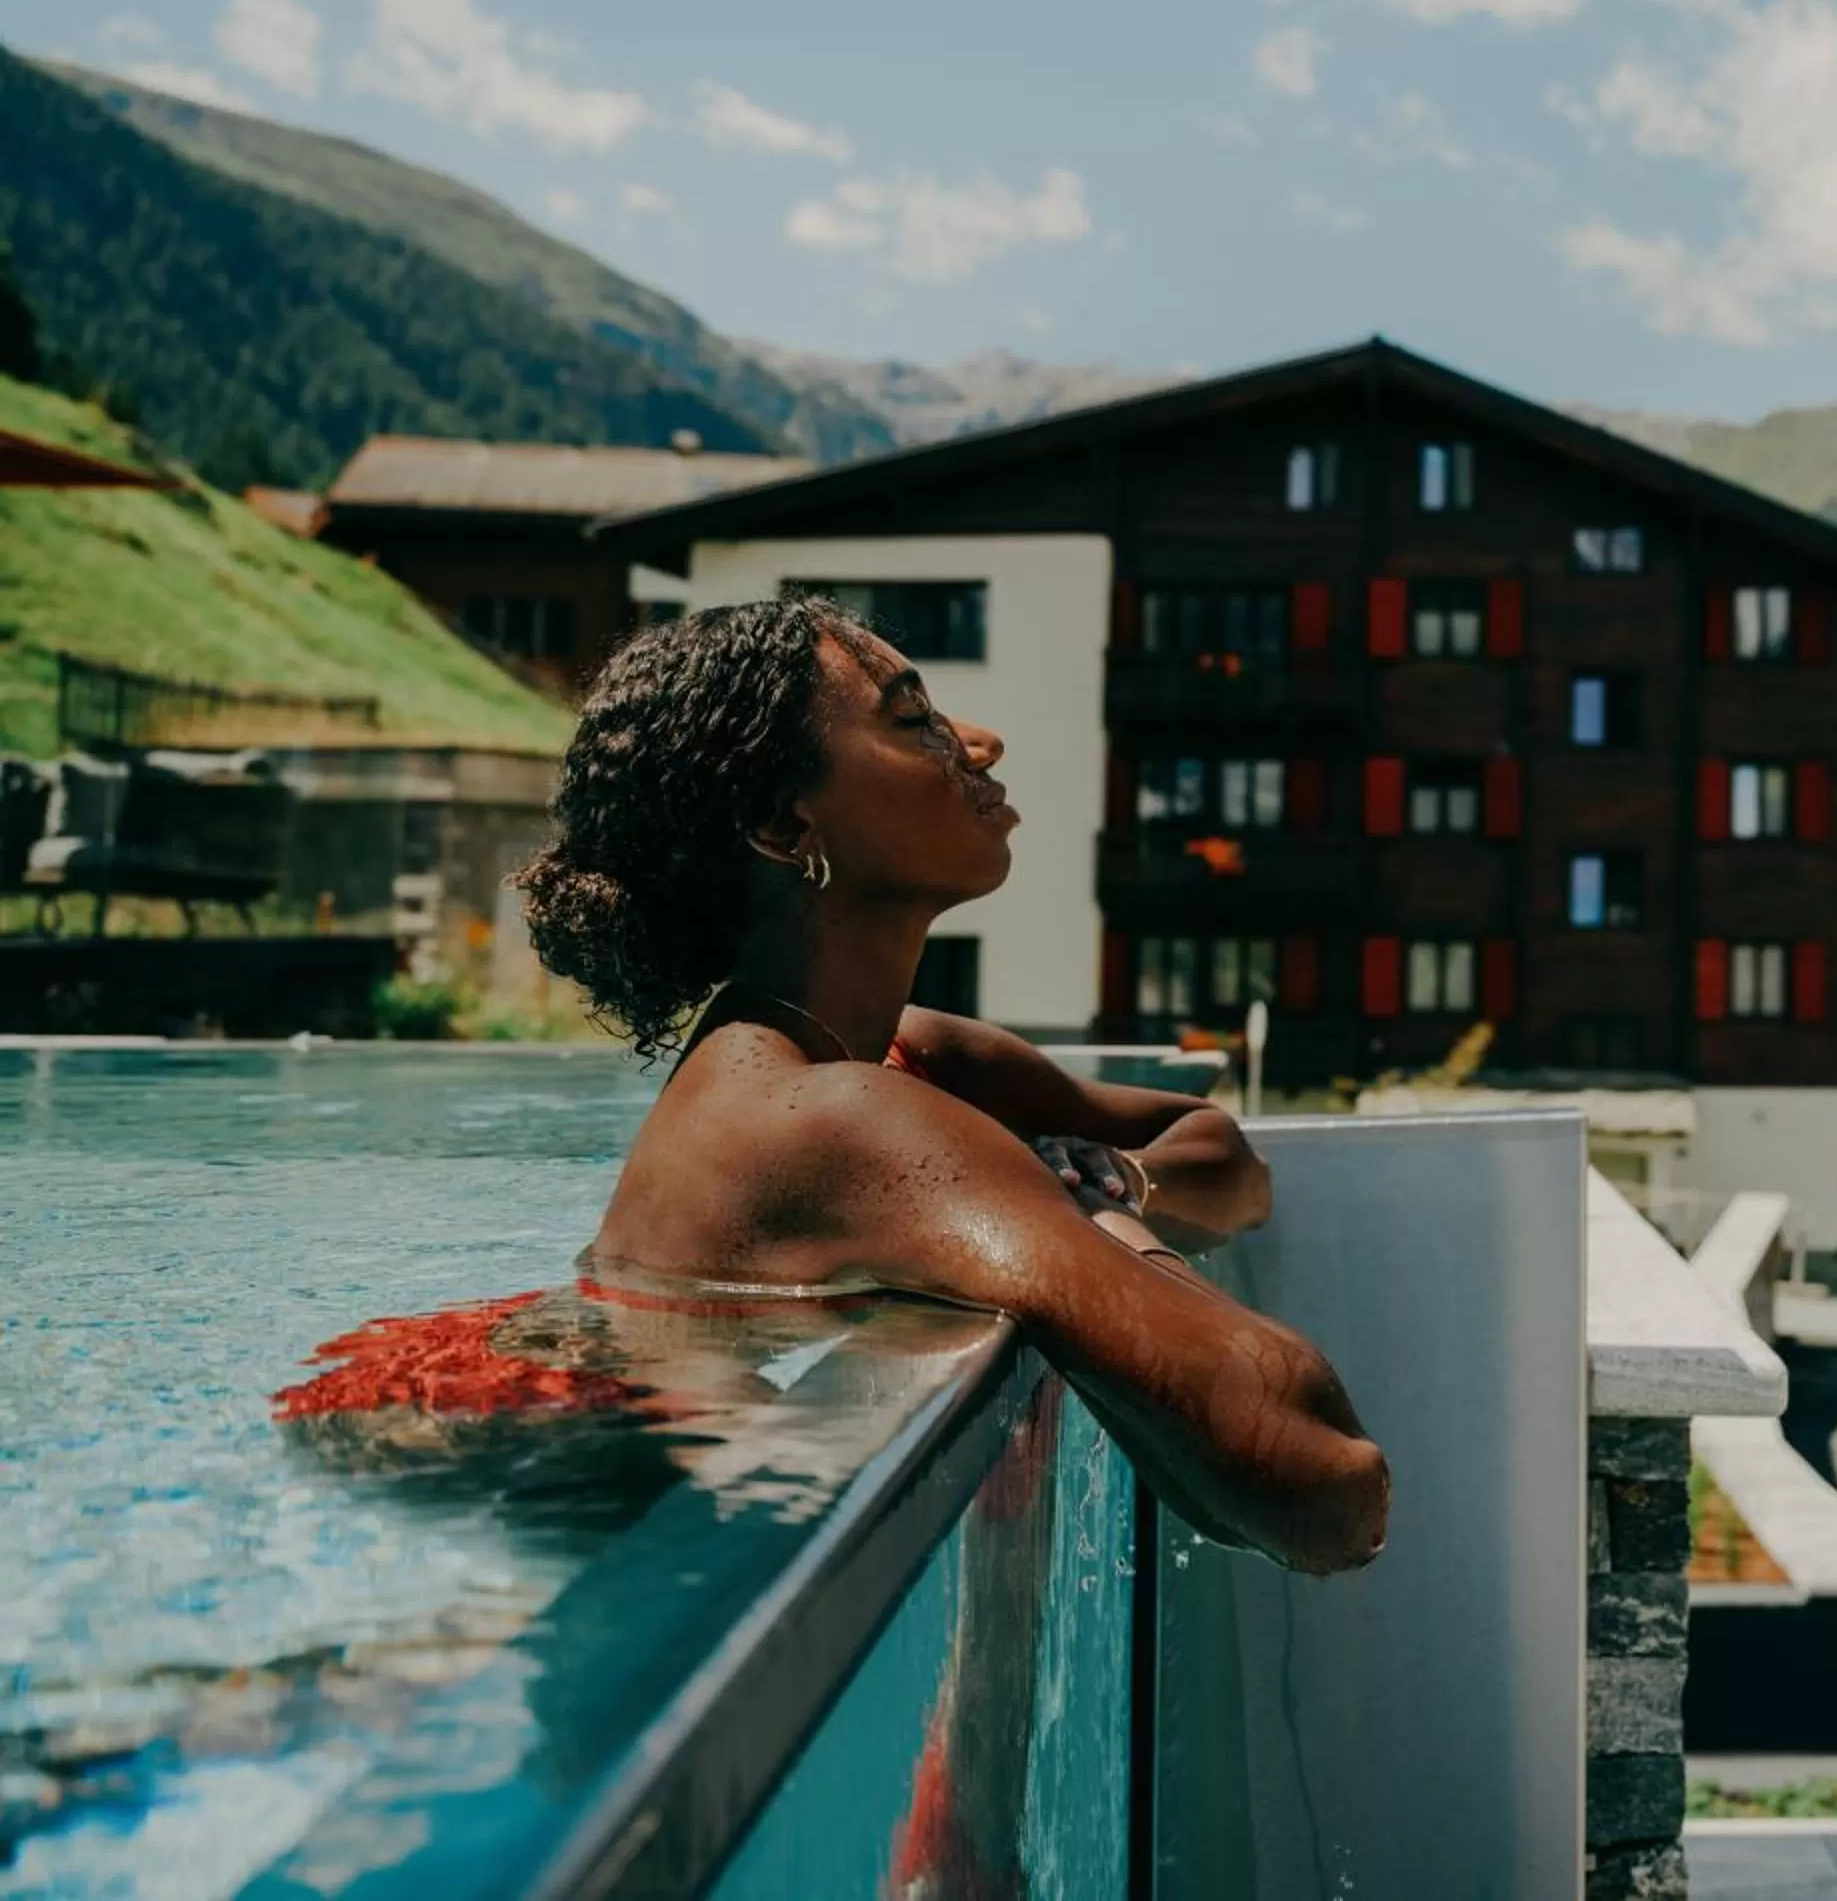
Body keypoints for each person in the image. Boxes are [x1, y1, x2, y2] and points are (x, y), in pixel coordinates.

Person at [512, 593, 1387, 1576]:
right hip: (650, 1572)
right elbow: (1324, 1484)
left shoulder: (886, 1056)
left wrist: (1123, 1183)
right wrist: (1091, 1227)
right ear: (782, 823)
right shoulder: (835, 1117)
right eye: (913, 719)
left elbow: (1224, 1153)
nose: (981, 741)